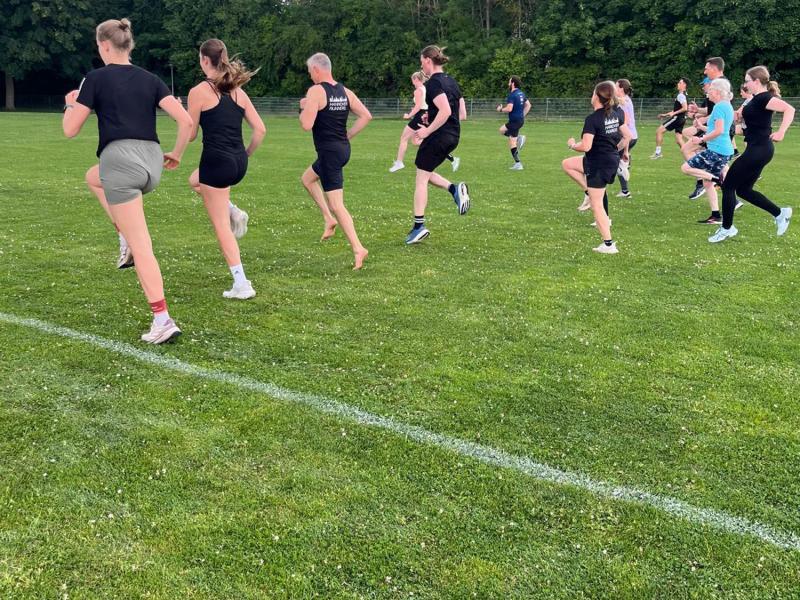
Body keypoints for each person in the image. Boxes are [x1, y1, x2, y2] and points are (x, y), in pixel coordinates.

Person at [63, 18, 192, 344]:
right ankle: (123, 237)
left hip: (120, 162)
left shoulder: (95, 78)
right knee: (93, 178)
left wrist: (70, 103)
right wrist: (176, 153)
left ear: (104, 46)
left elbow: (70, 129)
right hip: (151, 163)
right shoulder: (151, 78)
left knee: (142, 246)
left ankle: (162, 319)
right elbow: (186, 120)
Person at [186, 39, 266, 299]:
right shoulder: (238, 91)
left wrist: (182, 114)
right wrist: (245, 155)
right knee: (194, 180)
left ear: (204, 60)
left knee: (221, 227)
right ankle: (233, 210)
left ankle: (241, 284)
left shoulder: (199, 91)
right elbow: (260, 130)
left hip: (217, 162)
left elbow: (190, 134)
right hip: (238, 163)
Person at [299, 52, 371, 269]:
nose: (310, 75)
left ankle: (358, 248)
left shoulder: (315, 91)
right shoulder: (345, 92)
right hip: (341, 150)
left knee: (337, 205)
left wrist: (304, 106)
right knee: (307, 179)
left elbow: (306, 124)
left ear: (316, 69)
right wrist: (347, 135)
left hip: (330, 154)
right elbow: (366, 116)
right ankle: (328, 219)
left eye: (310, 71)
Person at [709, 67, 794, 243]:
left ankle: (727, 228)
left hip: (759, 149)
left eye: (747, 80)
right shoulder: (754, 99)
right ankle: (780, 213)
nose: (745, 84)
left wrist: (781, 132)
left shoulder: (764, 98)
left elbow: (789, 109)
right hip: (757, 148)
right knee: (743, 190)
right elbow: (750, 126)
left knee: (728, 185)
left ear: (756, 81)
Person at [405, 45, 470, 244]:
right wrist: (431, 117)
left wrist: (427, 130)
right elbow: (462, 115)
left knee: (421, 179)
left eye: (421, 62)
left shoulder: (433, 83)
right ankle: (454, 189)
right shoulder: (452, 82)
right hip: (453, 136)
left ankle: (419, 227)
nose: (421, 66)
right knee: (425, 171)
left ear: (427, 60)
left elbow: (445, 111)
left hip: (439, 136)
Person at [562, 81, 632, 254]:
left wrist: (572, 145)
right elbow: (627, 136)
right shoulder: (615, 114)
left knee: (597, 206)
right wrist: (617, 151)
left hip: (598, 164)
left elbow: (586, 146)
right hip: (604, 160)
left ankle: (608, 245)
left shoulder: (592, 119)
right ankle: (588, 191)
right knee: (568, 164)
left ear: (597, 97)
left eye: (593, 93)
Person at [680, 78, 735, 224]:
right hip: (723, 150)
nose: (708, 93)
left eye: (710, 90)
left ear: (717, 92)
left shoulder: (719, 107)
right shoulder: (726, 106)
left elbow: (719, 131)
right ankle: (716, 215)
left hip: (717, 151)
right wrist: (701, 127)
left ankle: (717, 179)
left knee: (685, 168)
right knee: (707, 183)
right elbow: (716, 129)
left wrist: (701, 139)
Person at [496, 76, 531, 170]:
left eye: (509, 82)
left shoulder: (512, 95)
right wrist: (522, 115)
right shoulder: (521, 93)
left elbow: (509, 108)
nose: (508, 84)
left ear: (513, 83)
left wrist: (500, 110)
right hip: (517, 121)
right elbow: (528, 105)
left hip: (515, 122)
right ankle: (519, 137)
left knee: (512, 142)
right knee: (502, 130)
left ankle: (518, 164)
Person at [650, 77, 688, 159]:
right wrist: (665, 115)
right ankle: (688, 155)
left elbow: (685, 108)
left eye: (680, 83)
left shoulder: (681, 95)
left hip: (677, 118)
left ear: (684, 85)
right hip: (682, 119)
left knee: (659, 131)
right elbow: (677, 109)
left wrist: (674, 113)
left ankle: (658, 153)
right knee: (679, 140)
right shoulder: (684, 95)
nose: (678, 84)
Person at [615, 78, 637, 197]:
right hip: (632, 136)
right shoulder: (625, 99)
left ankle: (625, 190)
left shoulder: (623, 103)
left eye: (616, 86)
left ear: (621, 88)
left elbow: (626, 125)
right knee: (618, 159)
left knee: (615, 160)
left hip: (628, 137)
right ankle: (624, 190)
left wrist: (626, 150)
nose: (614, 88)